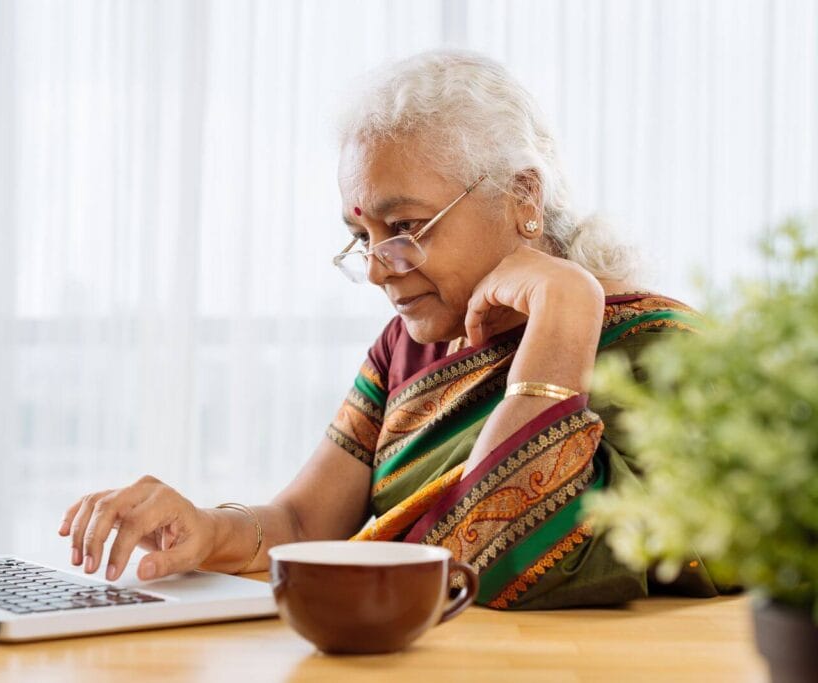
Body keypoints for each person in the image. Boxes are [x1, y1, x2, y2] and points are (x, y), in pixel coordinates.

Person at [58, 49, 720, 608]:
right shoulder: (411, 345)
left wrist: (567, 308)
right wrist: (203, 529)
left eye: (404, 228)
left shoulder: (656, 351)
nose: (378, 269)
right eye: (361, 236)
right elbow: (301, 523)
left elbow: (496, 555)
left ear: (523, 197)